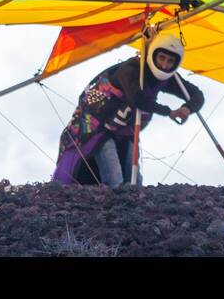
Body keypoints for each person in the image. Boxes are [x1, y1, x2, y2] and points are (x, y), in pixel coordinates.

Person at [52, 34, 204, 186]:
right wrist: (168, 111)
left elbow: (197, 95)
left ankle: (130, 205)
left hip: (124, 130)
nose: (164, 65)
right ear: (153, 55)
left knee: (134, 181)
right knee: (115, 178)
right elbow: (137, 98)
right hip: (98, 128)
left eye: (170, 61)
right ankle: (108, 205)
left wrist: (187, 108)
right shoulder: (132, 68)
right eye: (162, 58)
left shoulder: (169, 79)